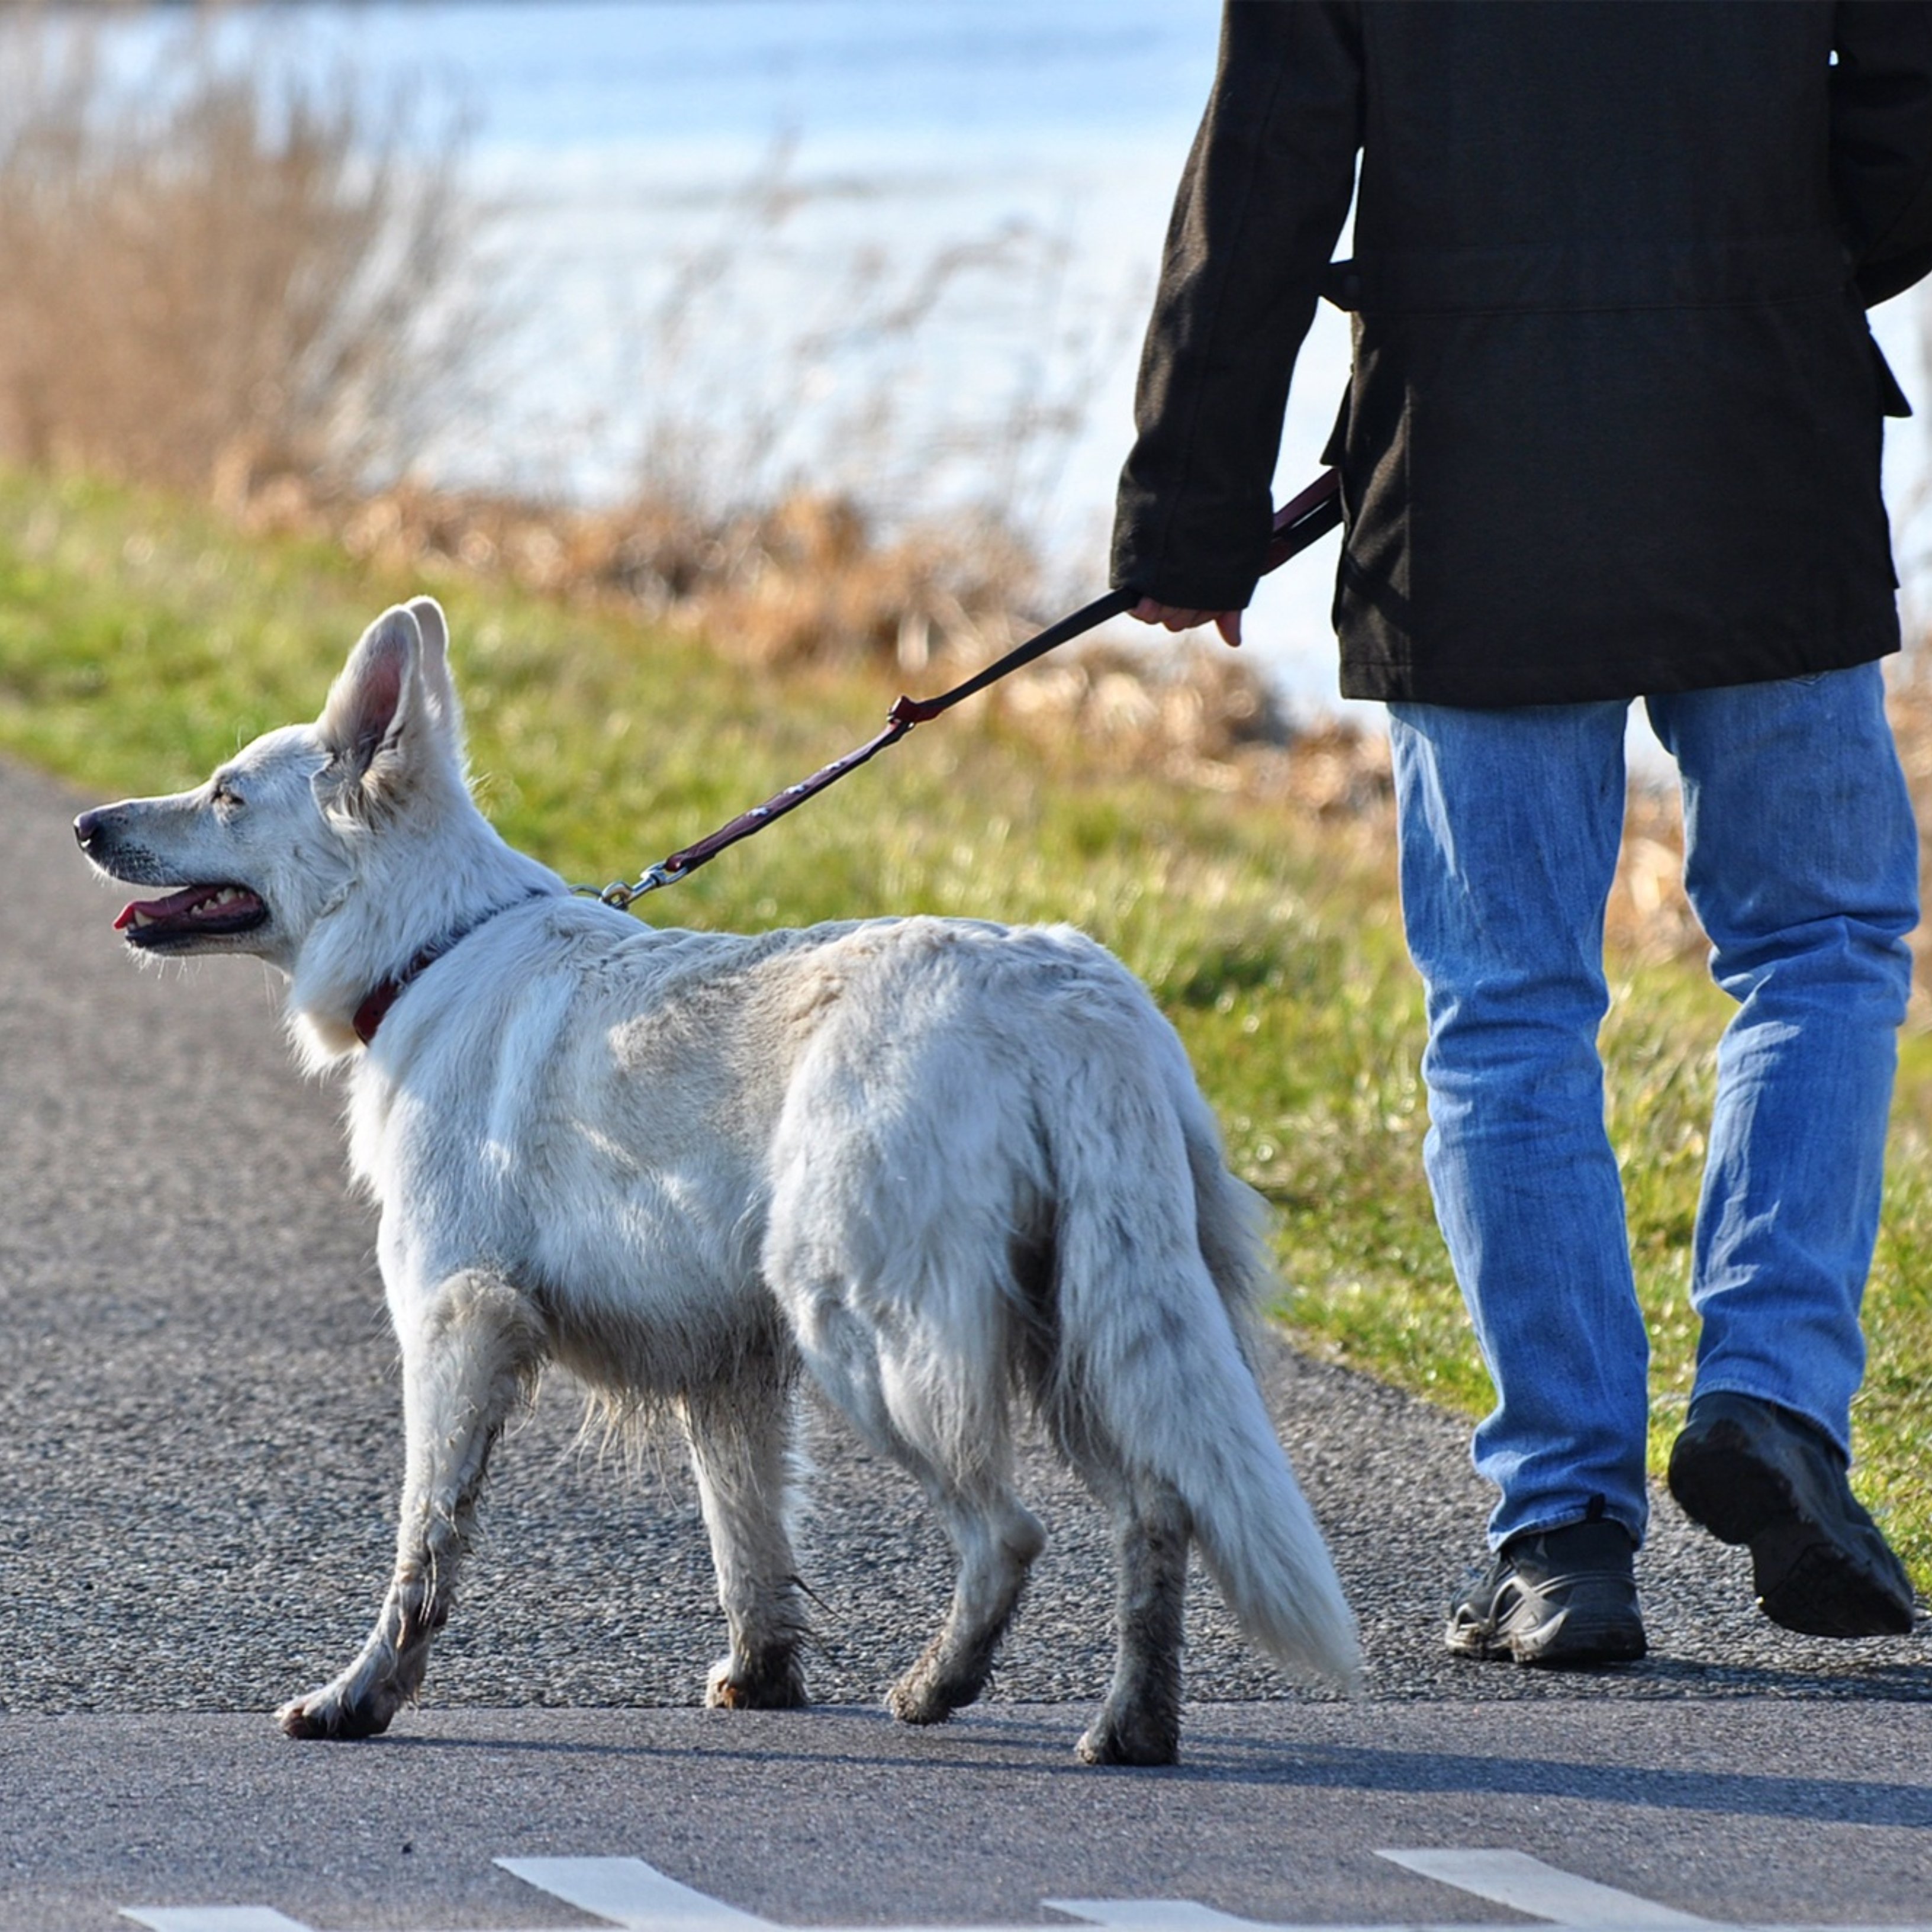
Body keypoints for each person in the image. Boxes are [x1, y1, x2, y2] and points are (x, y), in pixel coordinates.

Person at [1114, 1, 1932, 1665]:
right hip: (1756, 440)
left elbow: (1260, 182)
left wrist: (1190, 511)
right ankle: (1772, 1395)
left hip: (1473, 476)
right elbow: (1913, 123)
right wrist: (1760, 270)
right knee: (1823, 946)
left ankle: (1563, 1535)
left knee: (1508, 1008)